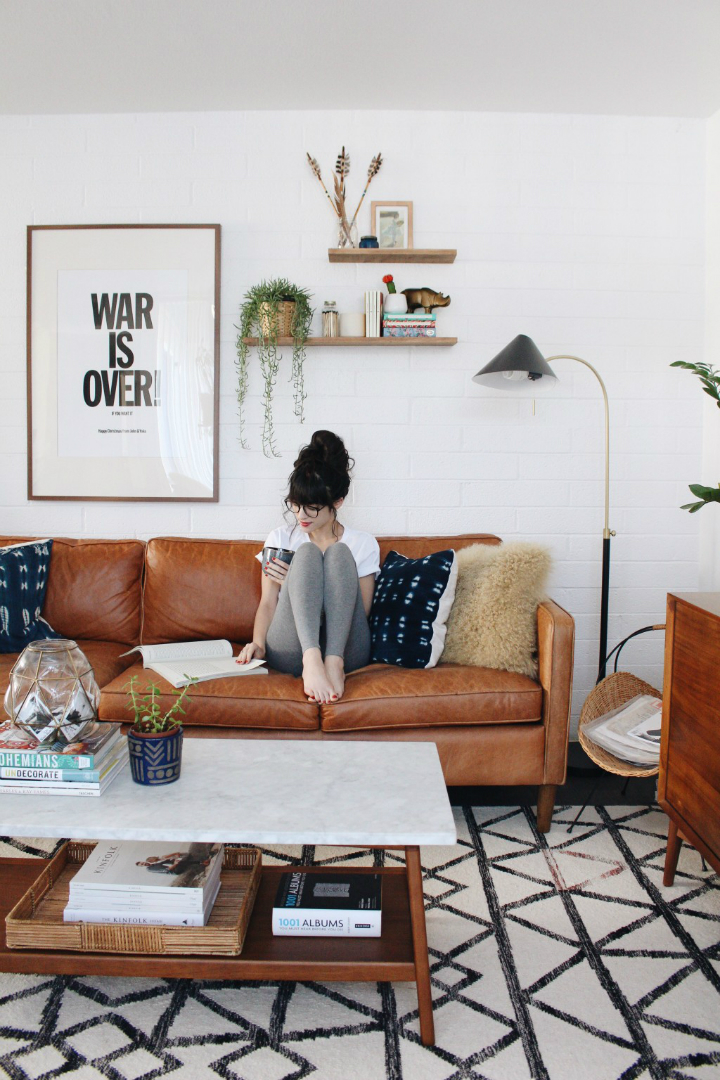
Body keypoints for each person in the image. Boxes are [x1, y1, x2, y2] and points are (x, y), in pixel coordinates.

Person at [237, 430, 380, 704]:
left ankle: (333, 663)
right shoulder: (280, 539)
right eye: (296, 505)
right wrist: (257, 643)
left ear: (336, 502)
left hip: (346, 646)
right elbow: (268, 603)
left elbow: (359, 611)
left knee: (338, 553)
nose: (301, 516)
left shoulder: (362, 544)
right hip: (293, 648)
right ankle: (312, 660)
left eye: (312, 508)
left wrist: (301, 582)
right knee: (306, 554)